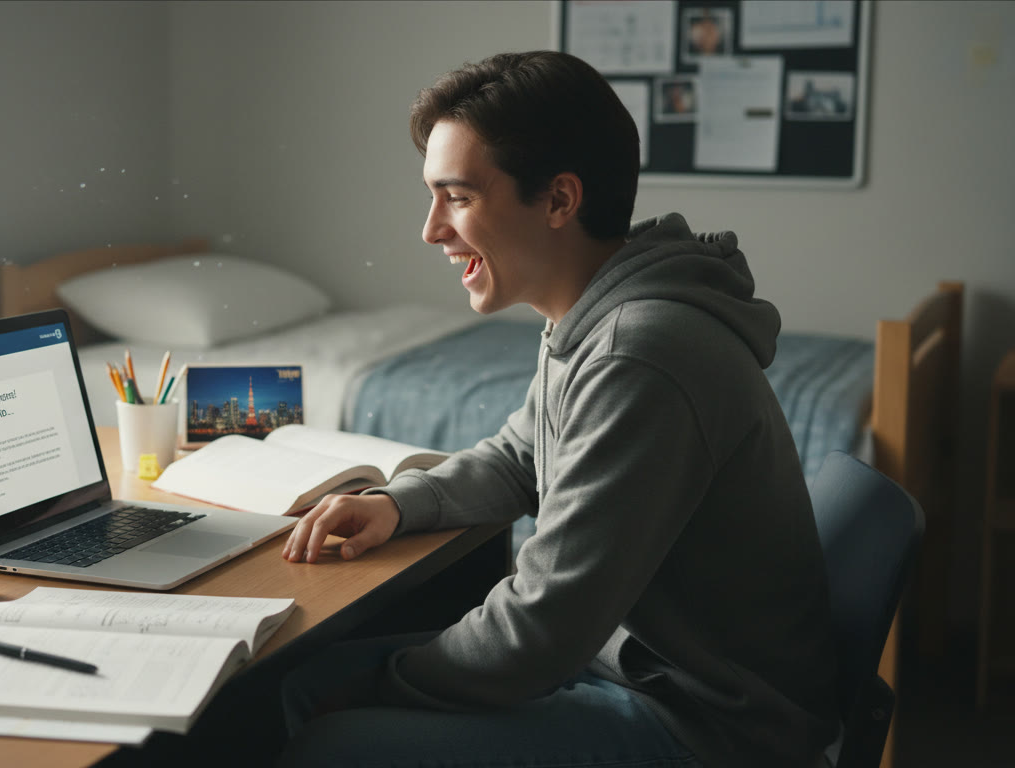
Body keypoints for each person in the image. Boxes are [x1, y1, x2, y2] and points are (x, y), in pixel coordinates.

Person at [276, 50, 839, 768]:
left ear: (558, 201)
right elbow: (522, 455)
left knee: (325, 731)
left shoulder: (637, 351)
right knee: (309, 682)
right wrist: (399, 503)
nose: (431, 230)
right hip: (642, 669)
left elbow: (542, 625)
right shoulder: (595, 312)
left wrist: (384, 685)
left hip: (707, 727)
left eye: (457, 197)